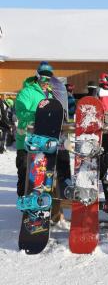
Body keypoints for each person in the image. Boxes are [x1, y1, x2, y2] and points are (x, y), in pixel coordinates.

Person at [15, 61, 55, 198]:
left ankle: (38, 202)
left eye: (49, 78)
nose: (46, 81)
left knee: (40, 174)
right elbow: (20, 112)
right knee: (25, 173)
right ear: (37, 76)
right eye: (44, 77)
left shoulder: (49, 95)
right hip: (26, 141)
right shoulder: (27, 92)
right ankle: (23, 202)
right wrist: (38, 115)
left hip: (42, 141)